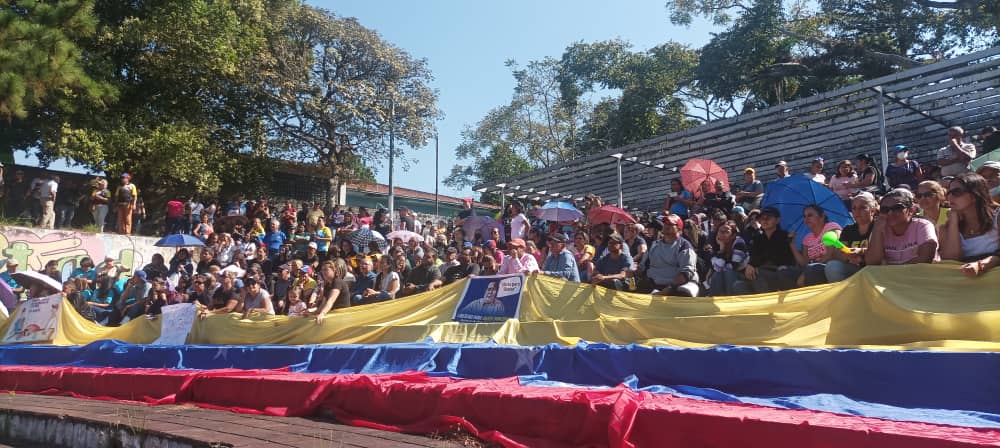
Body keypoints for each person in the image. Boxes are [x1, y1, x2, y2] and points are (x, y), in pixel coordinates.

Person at [939, 173, 1000, 275]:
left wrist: (981, 265)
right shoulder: (945, 228)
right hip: (966, 283)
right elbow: (951, 260)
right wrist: (953, 223)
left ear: (975, 195)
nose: (950, 197)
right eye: (948, 193)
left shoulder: (997, 217)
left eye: (956, 192)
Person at [733, 206, 800, 294]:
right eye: (762, 218)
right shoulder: (758, 238)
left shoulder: (785, 236)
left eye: (768, 217)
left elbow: (780, 259)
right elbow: (754, 258)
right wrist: (750, 265)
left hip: (779, 272)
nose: (764, 220)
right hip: (761, 272)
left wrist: (755, 265)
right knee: (738, 284)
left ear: (777, 220)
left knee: (759, 274)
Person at [866, 188, 939, 265]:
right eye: (885, 209)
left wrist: (894, 270)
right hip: (889, 275)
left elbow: (925, 258)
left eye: (897, 208)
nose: (890, 213)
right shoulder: (880, 229)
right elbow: (872, 262)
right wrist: (877, 230)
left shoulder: (923, 226)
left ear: (911, 210)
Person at [640, 214, 698, 296]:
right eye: (665, 223)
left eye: (670, 224)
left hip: (673, 288)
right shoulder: (653, 245)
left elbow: (686, 273)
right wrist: (631, 272)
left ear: (679, 228)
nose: (666, 226)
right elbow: (643, 266)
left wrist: (669, 289)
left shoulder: (684, 246)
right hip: (651, 284)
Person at [824, 192, 877, 282]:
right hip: (853, 268)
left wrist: (861, 252)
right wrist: (848, 257)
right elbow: (839, 254)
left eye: (862, 208)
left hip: (873, 269)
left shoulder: (878, 227)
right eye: (854, 208)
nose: (857, 212)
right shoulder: (848, 230)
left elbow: (881, 251)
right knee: (829, 267)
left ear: (872, 210)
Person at [793, 205, 842, 286]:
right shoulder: (807, 238)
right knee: (786, 273)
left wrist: (805, 272)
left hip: (828, 266)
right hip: (811, 268)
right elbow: (805, 263)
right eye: (804, 216)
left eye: (810, 215)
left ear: (822, 217)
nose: (806, 219)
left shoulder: (831, 227)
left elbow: (830, 254)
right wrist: (792, 245)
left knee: (812, 270)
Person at [707, 222, 748, 296]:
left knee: (728, 273)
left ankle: (730, 301)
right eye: (720, 231)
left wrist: (715, 267)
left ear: (733, 235)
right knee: (717, 275)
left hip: (742, 276)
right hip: (724, 275)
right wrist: (722, 249)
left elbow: (734, 266)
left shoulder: (739, 243)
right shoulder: (715, 246)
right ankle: (716, 301)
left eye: (726, 231)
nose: (722, 233)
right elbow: (717, 268)